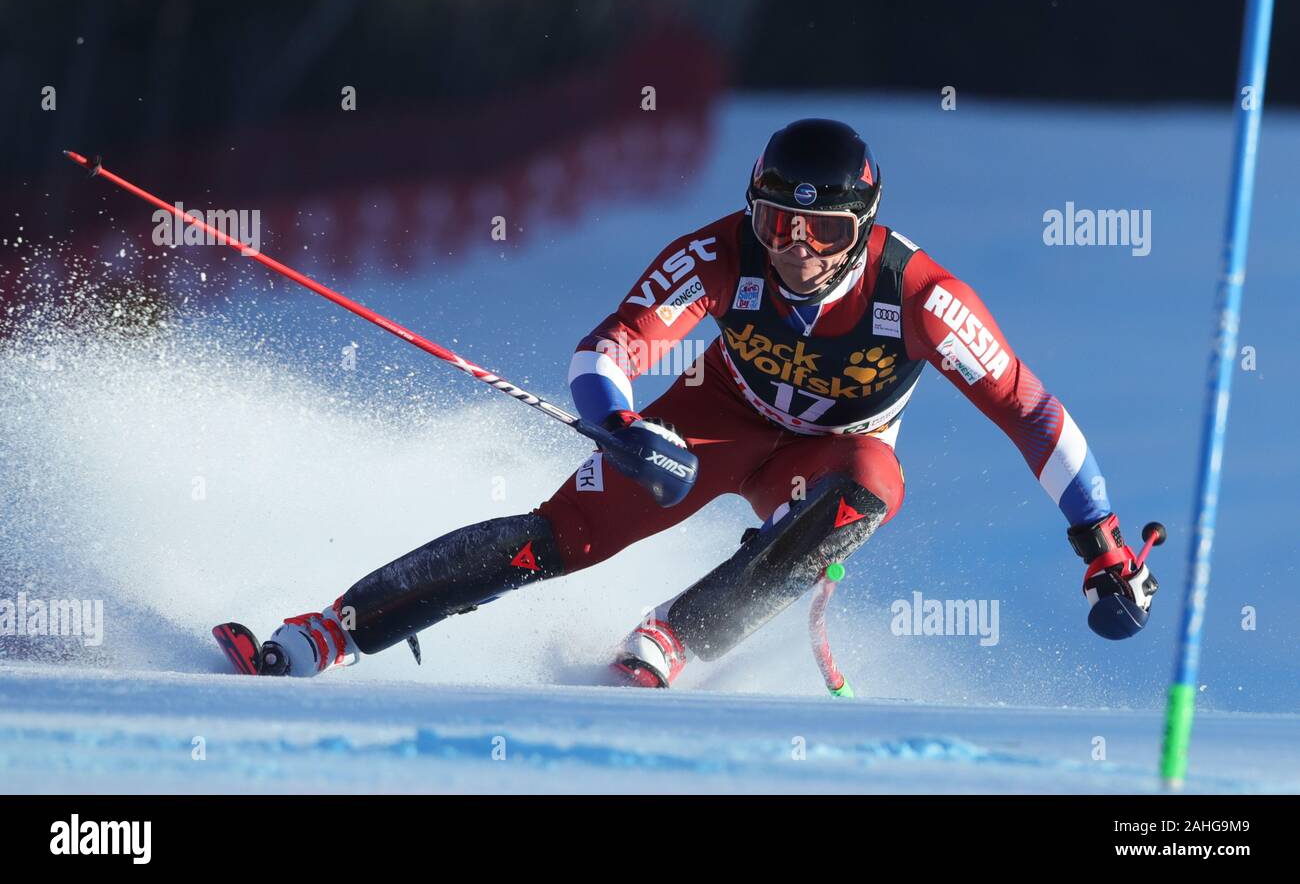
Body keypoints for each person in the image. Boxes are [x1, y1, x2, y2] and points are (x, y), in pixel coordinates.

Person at [232, 118, 1158, 682]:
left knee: (872, 483)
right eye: (776, 221)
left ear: (862, 228)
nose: (794, 247)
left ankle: (671, 638)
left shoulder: (919, 297)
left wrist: (1102, 545)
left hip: (823, 454)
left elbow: (1030, 411)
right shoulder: (722, 254)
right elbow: (613, 346)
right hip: (714, 421)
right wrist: (624, 425)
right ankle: (330, 630)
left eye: (822, 228)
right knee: (552, 543)